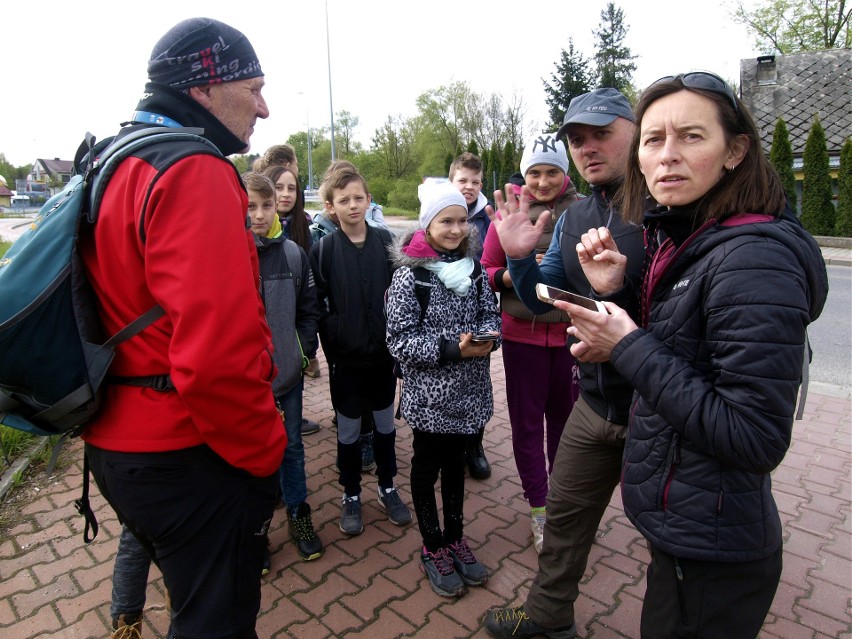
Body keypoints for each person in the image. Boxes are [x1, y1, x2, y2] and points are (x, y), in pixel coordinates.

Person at [556, 72, 827, 638]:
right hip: (691, 523)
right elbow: (685, 343)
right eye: (654, 140)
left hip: (716, 544)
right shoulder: (694, 234)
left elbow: (754, 436)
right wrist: (618, 294)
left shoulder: (753, 257)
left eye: (691, 137)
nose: (667, 157)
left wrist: (624, 344)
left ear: (735, 151)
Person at [80, 17, 286, 639]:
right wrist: (263, 454)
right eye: (251, 87)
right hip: (183, 450)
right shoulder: (194, 171)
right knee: (215, 624)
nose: (265, 108)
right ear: (202, 89)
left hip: (114, 439)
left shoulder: (117, 159)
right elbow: (218, 357)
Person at [482, 88, 644, 639]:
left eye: (602, 133)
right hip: (596, 402)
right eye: (577, 139)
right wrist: (522, 259)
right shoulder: (581, 215)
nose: (588, 148)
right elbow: (542, 296)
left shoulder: (670, 206)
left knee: (668, 530)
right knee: (565, 520)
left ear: (634, 127)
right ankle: (548, 618)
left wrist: (623, 336)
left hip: (658, 407)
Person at [386, 182, 501, 598]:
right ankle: (432, 545)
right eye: (445, 221)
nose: (455, 229)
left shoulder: (474, 271)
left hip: (469, 395)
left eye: (460, 220)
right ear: (428, 224)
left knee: (456, 468)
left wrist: (489, 337)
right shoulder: (410, 277)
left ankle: (455, 536)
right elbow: (398, 339)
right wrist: (455, 348)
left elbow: (491, 315)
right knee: (426, 466)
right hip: (430, 399)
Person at [480, 132, 579, 553]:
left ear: (565, 173)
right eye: (534, 172)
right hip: (522, 337)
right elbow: (485, 269)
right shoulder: (511, 211)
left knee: (565, 426)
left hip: (571, 338)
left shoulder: (583, 211)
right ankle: (538, 508)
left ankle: (559, 503)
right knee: (526, 426)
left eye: (552, 171)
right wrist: (519, 274)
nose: (541, 182)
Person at [309, 160, 412, 536]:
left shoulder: (386, 243)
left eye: (358, 197)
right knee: (349, 431)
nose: (353, 205)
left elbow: (403, 291)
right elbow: (316, 303)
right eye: (343, 199)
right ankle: (351, 493)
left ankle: (387, 486)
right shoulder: (324, 250)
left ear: (369, 200)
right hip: (346, 362)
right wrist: (333, 338)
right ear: (331, 207)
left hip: (383, 359)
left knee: (385, 428)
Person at [244, 171, 323, 565]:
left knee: (291, 448)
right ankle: (254, 531)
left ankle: (298, 515)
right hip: (244, 383)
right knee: (251, 456)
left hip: (287, 377)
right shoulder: (227, 255)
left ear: (278, 206)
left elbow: (309, 312)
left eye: (266, 205)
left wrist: (301, 354)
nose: (259, 215)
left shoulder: (293, 254)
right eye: (250, 207)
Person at [448, 151, 493, 479]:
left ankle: (474, 444)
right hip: (441, 313)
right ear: (451, 181)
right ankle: (448, 443)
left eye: (475, 182)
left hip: (476, 310)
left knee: (476, 382)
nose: (469, 187)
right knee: (446, 379)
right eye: (462, 180)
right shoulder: (435, 213)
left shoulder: (487, 217)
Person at [262, 164, 324, 391]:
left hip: (296, 320)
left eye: (291, 188)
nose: (286, 194)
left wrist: (305, 343)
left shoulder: (305, 227)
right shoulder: (256, 229)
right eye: (279, 187)